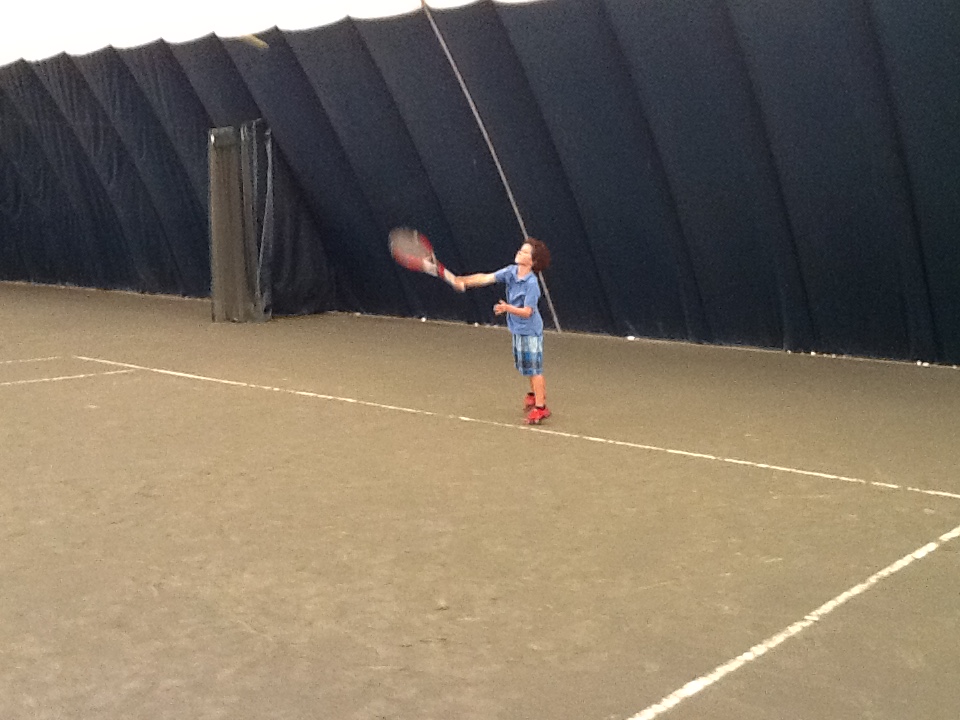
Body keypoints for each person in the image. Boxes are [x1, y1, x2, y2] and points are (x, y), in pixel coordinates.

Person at [457, 238, 552, 424]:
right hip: (517, 328)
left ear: (533, 261)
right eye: (521, 250)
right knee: (527, 367)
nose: (520, 253)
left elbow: (527, 312)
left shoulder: (532, 284)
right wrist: (465, 281)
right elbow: (485, 278)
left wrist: (507, 308)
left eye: (525, 252)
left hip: (530, 331)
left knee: (535, 370)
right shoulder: (510, 272)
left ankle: (541, 408)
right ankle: (534, 395)